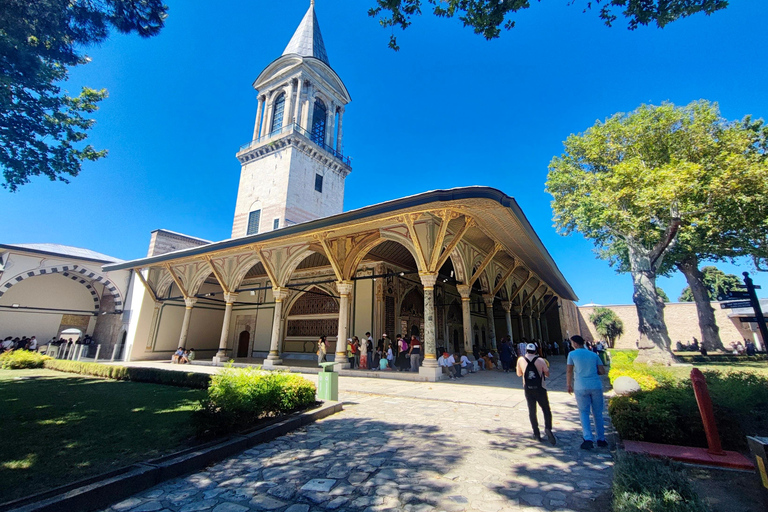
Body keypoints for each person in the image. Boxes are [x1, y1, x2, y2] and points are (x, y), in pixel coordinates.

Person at [566, 335, 607, 450]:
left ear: (574, 343)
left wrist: (569, 384)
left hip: (580, 386)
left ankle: (588, 438)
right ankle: (601, 439)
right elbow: (602, 371)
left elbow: (569, 371)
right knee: (598, 412)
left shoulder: (572, 354)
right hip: (595, 385)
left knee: (584, 412)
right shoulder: (593, 354)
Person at [517, 343, 556, 445]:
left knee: (532, 411)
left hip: (528, 389)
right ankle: (548, 428)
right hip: (540, 388)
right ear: (535, 351)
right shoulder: (540, 360)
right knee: (546, 409)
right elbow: (547, 373)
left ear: (526, 350)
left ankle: (536, 433)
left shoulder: (521, 360)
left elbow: (519, 374)